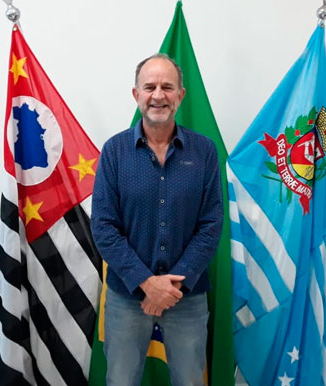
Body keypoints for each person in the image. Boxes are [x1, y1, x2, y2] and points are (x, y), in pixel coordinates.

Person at [90, 54, 223, 386]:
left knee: (192, 381)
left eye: (167, 87)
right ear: (136, 95)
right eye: (149, 87)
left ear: (181, 95)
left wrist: (172, 285)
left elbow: (211, 224)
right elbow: (104, 226)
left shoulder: (204, 151)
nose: (158, 95)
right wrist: (147, 282)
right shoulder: (115, 151)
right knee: (120, 381)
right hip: (126, 294)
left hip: (187, 296)